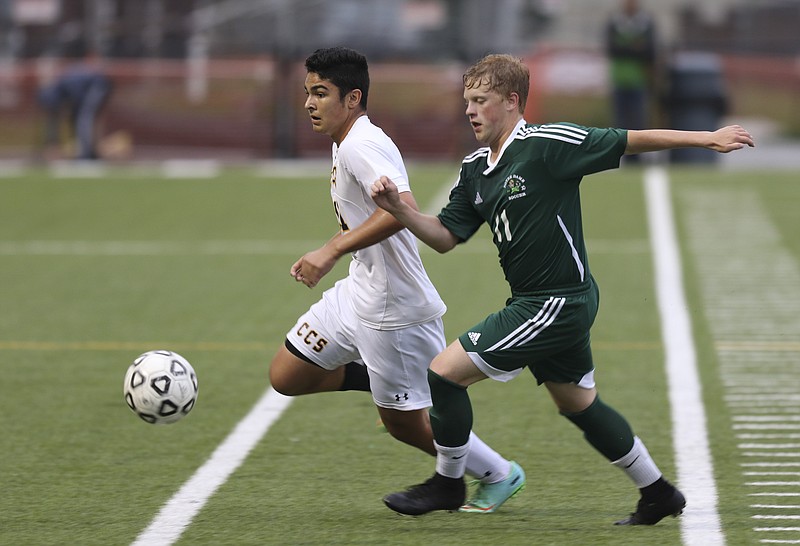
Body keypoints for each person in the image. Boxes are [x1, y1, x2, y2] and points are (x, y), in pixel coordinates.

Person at [371, 53, 753, 524]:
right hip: (538, 302)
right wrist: (399, 209)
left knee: (445, 374)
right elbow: (446, 238)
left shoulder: (548, 144)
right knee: (579, 404)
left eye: (480, 100)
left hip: (556, 301)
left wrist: (705, 138)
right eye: (466, 101)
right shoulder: (474, 169)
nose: (469, 111)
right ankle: (658, 492)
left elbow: (629, 140)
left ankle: (448, 483)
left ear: (512, 102)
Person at [268, 47, 525, 514]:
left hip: (393, 310)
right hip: (357, 292)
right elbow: (365, 216)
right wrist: (336, 247)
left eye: (320, 93)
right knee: (287, 374)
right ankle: (378, 376)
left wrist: (329, 250)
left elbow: (399, 209)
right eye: (307, 93)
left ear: (353, 98)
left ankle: (498, 472)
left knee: (405, 425)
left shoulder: (361, 144)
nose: (309, 103)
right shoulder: (346, 140)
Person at [605, 0, 658, 162]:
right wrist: (634, 48)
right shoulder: (615, 23)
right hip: (619, 79)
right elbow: (612, 49)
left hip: (638, 79)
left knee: (637, 120)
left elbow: (650, 51)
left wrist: (627, 48)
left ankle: (636, 158)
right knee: (620, 121)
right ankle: (620, 156)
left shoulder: (646, 23)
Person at [37, 51, 113, 161]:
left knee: (84, 119)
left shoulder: (57, 89)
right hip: (92, 88)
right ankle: (87, 151)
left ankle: (87, 154)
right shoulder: (62, 84)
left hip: (96, 86)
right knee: (83, 119)